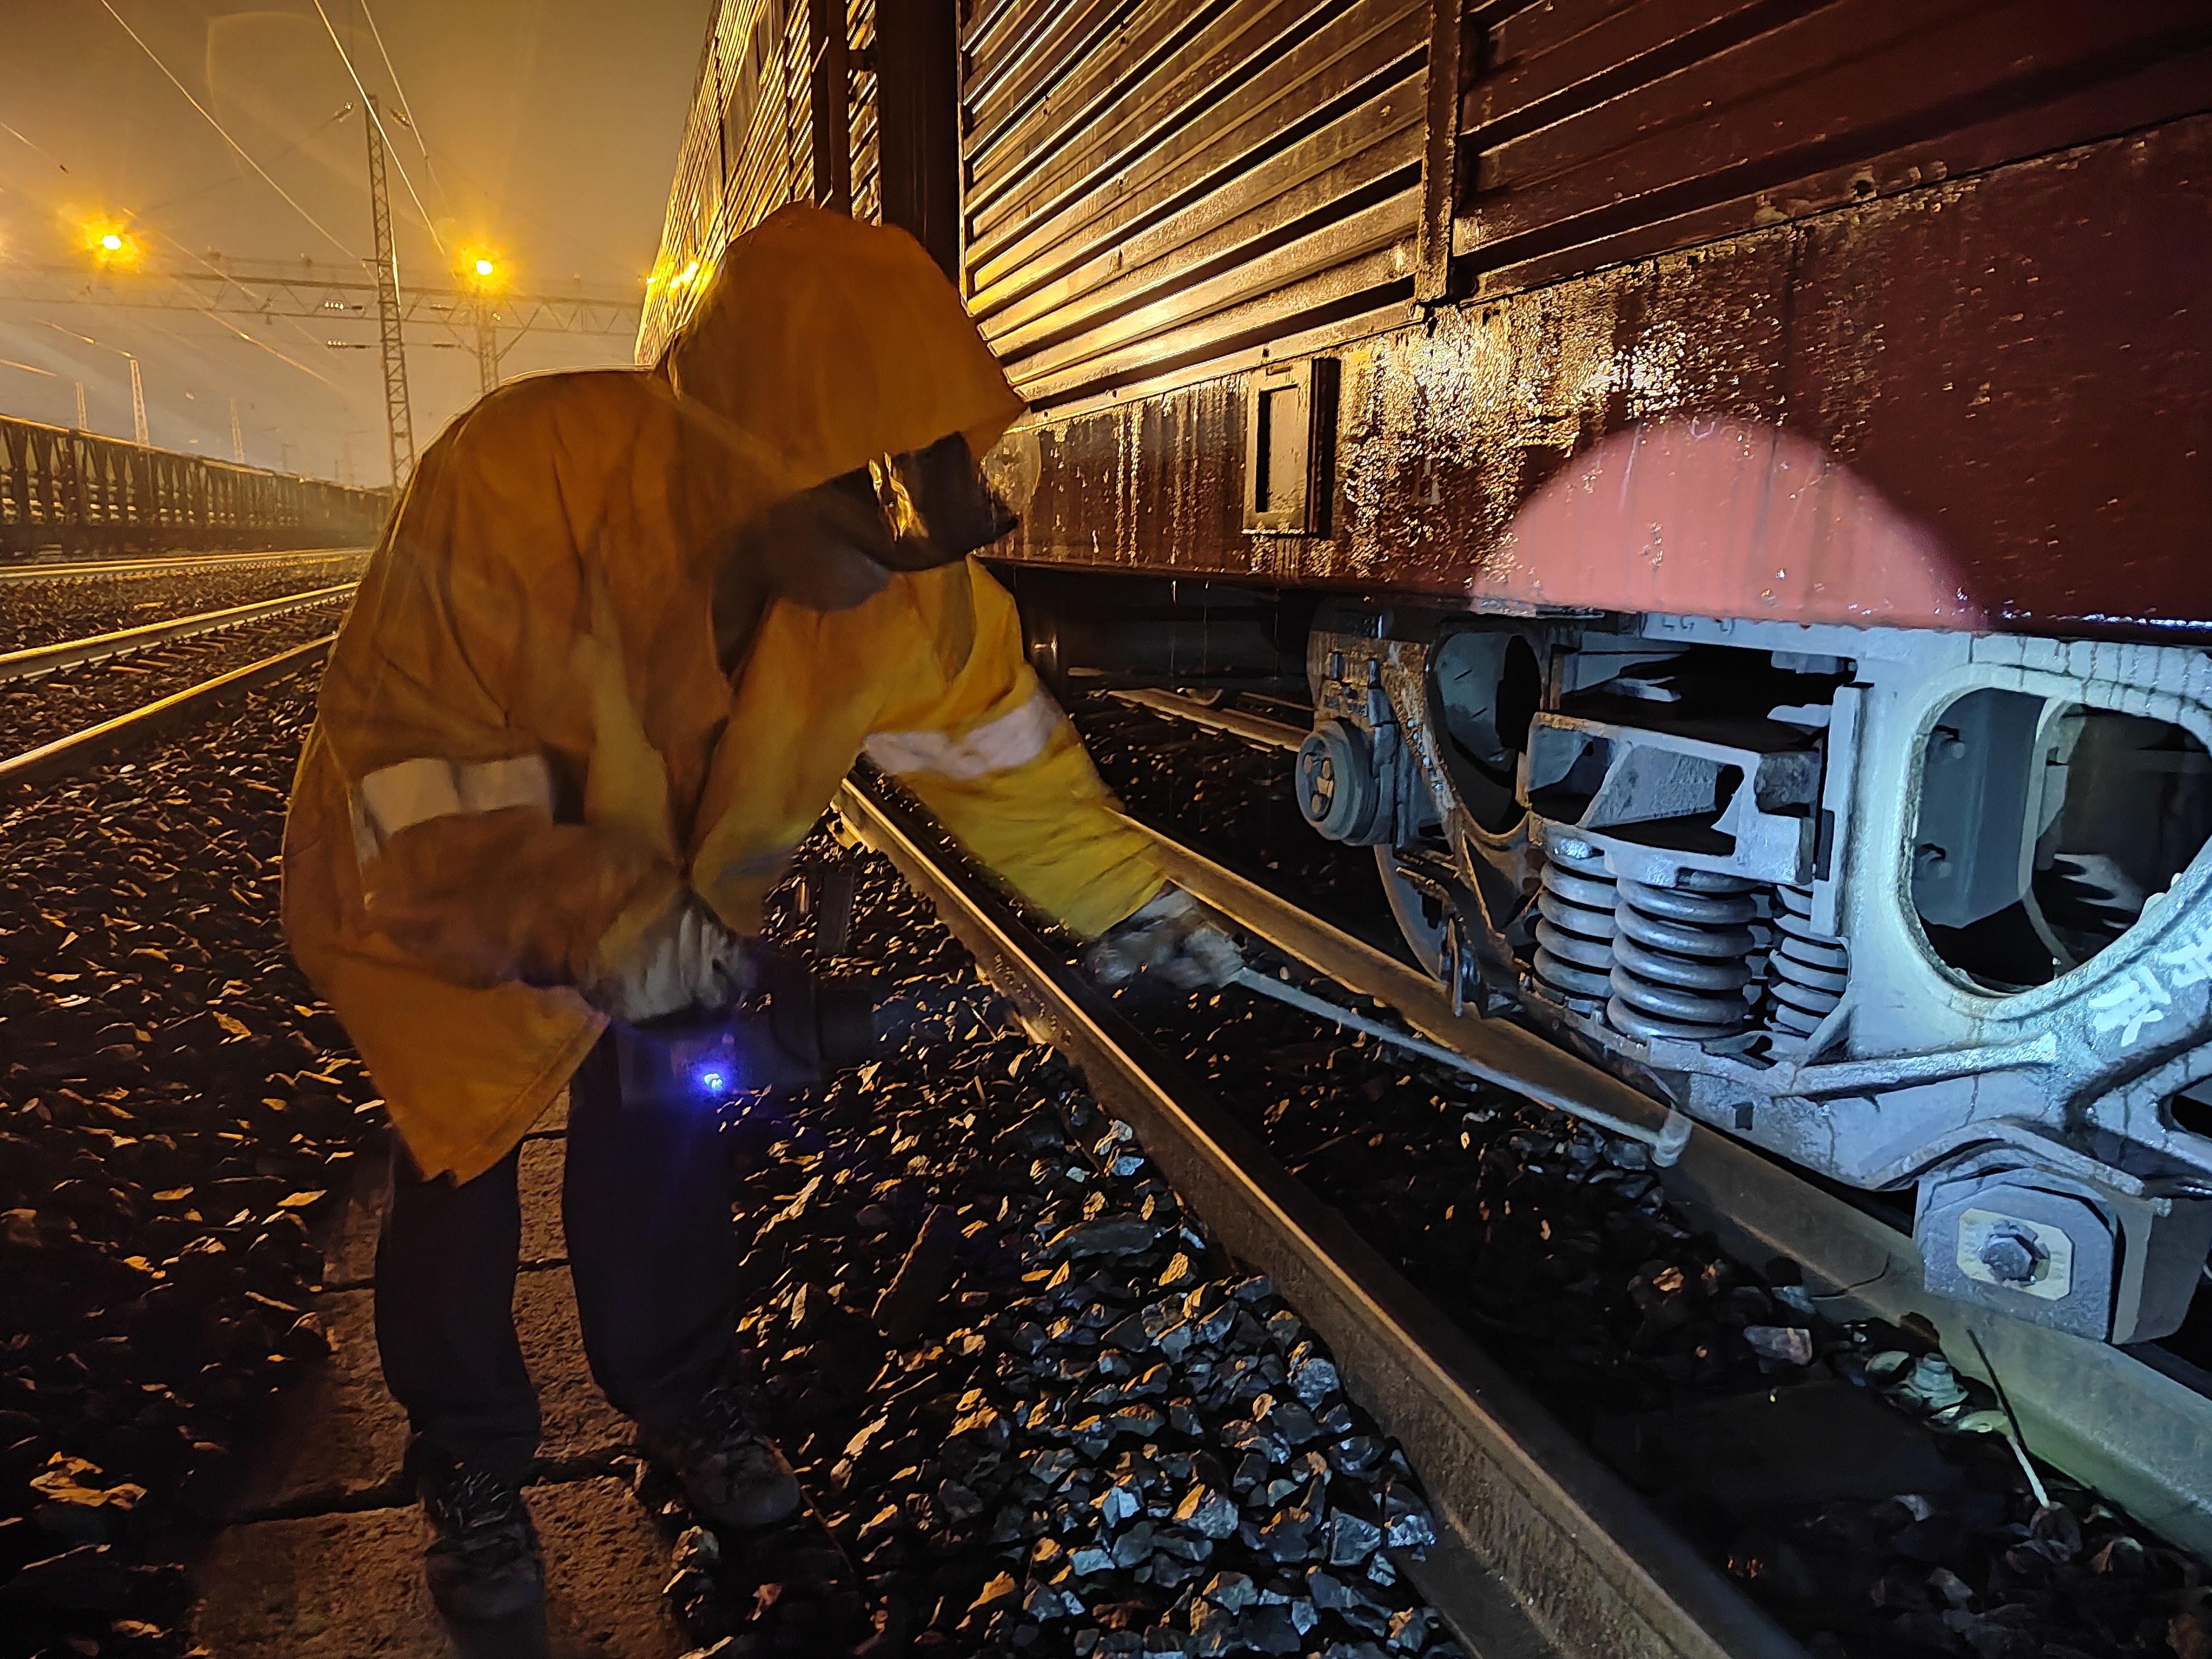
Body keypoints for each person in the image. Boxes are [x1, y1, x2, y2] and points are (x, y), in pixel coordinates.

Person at [280, 205, 1240, 1620]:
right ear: (756, 458)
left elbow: (996, 745)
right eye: (881, 497)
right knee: (459, 1169)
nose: (904, 542)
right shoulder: (517, 475)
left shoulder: (887, 588)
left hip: (664, 920)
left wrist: (1129, 902)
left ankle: (676, 1393)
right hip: (450, 908)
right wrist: (600, 916)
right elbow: (407, 770)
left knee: (659, 1128)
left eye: (932, 481)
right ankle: (470, 1456)